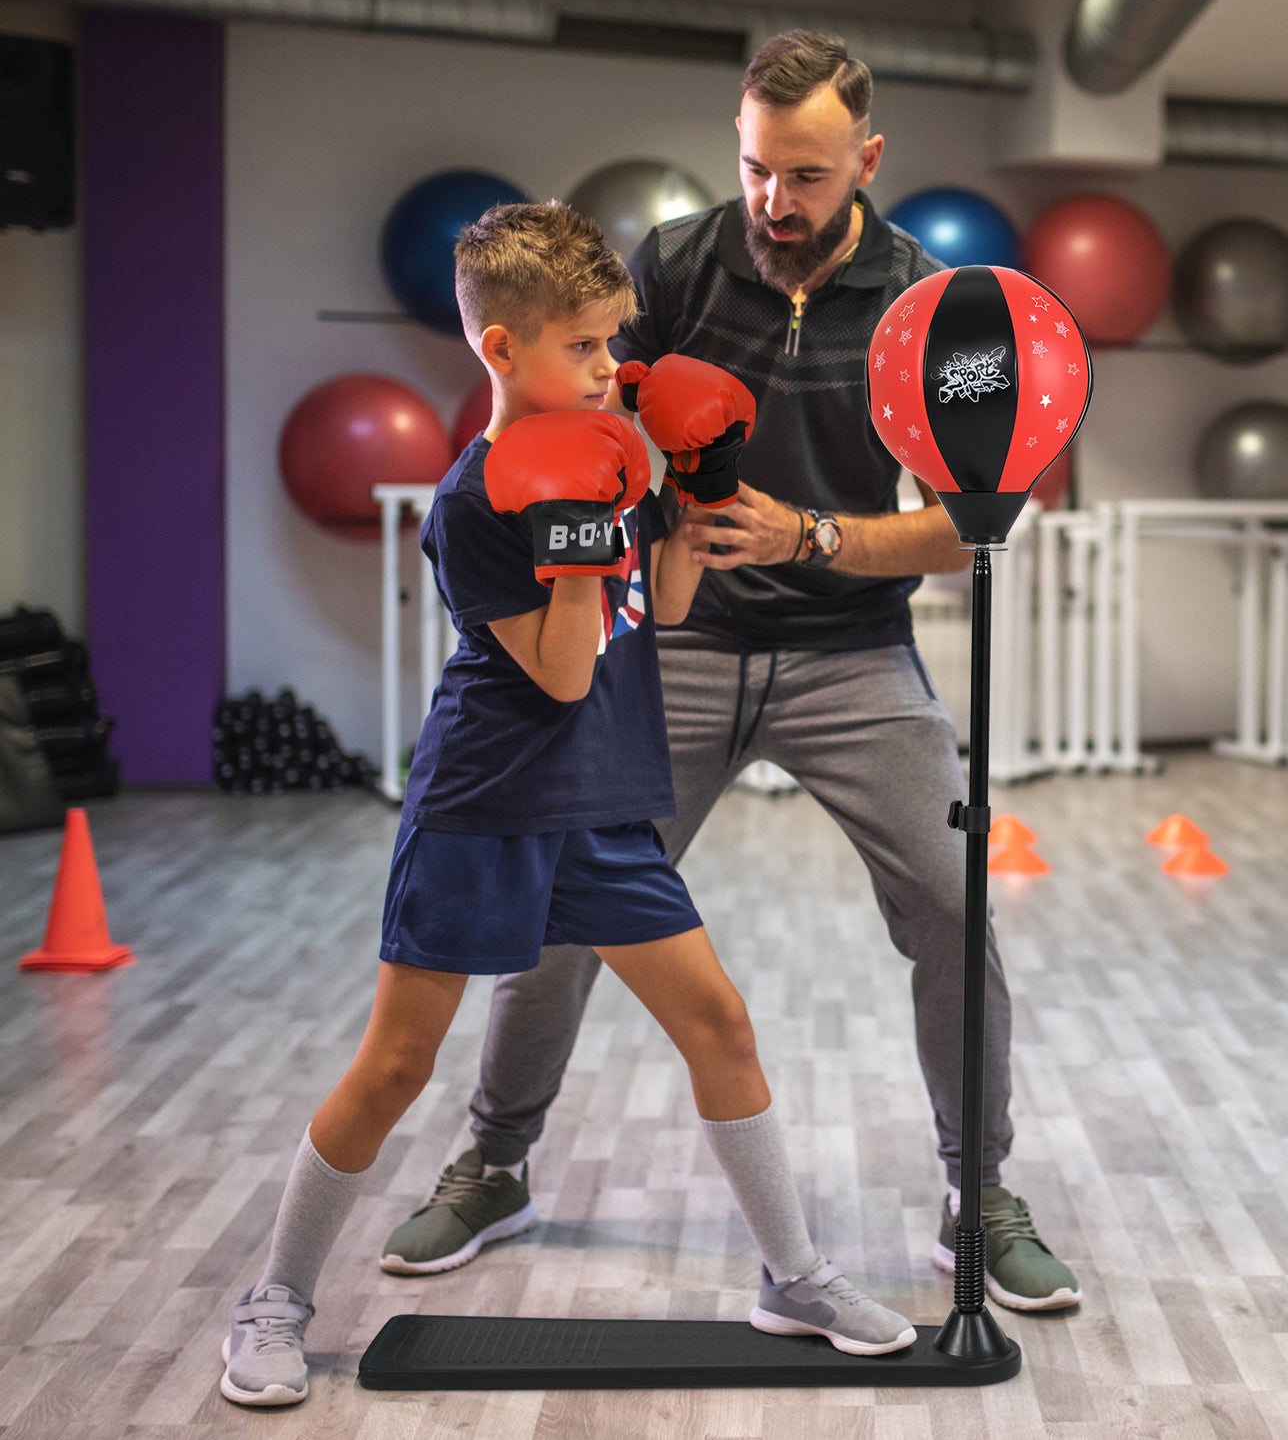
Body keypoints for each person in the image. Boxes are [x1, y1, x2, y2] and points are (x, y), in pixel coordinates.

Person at [381, 31, 1081, 1314]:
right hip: (684, 641)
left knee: (951, 898)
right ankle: (494, 1158)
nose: (773, 199)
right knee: (557, 902)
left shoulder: (924, 301)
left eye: (805, 175)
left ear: (866, 158)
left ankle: (974, 1192)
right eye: (756, 167)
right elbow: (582, 413)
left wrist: (810, 532)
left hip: (850, 655)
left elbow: (969, 516)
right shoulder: (682, 260)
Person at [219, 201, 918, 1408]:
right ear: (502, 350)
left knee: (721, 1025)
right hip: (486, 804)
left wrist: (694, 497)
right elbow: (554, 666)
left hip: (600, 804)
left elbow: (667, 609)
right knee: (396, 1064)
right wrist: (585, 531)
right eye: (585, 346)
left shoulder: (603, 461)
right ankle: (272, 1299)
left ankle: (791, 1275)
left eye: (613, 343)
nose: (611, 369)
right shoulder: (479, 497)